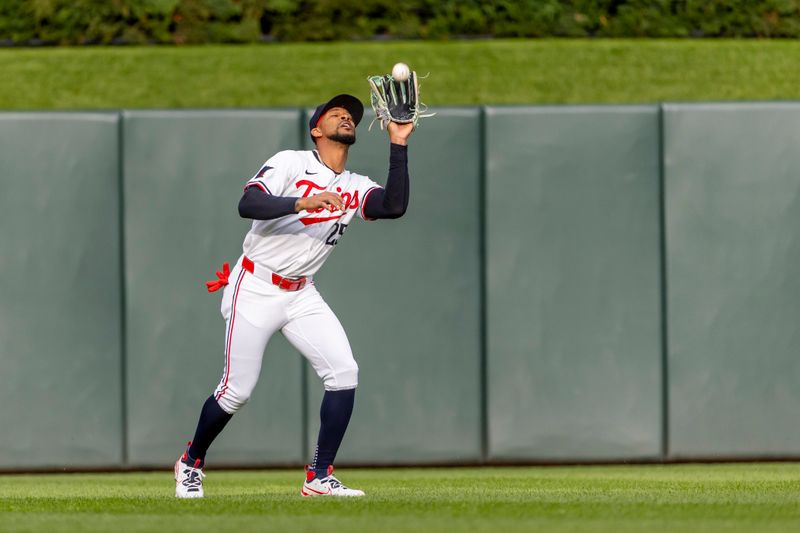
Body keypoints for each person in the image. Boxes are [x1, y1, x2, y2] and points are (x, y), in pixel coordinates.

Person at [174, 94, 414, 498]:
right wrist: (302, 201)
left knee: (344, 373)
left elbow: (393, 206)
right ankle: (190, 463)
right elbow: (248, 202)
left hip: (302, 292)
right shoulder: (291, 161)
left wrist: (399, 141)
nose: (345, 116)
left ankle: (319, 477)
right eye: (335, 113)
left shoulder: (354, 186)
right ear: (316, 129)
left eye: (351, 115)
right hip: (255, 286)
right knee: (236, 391)